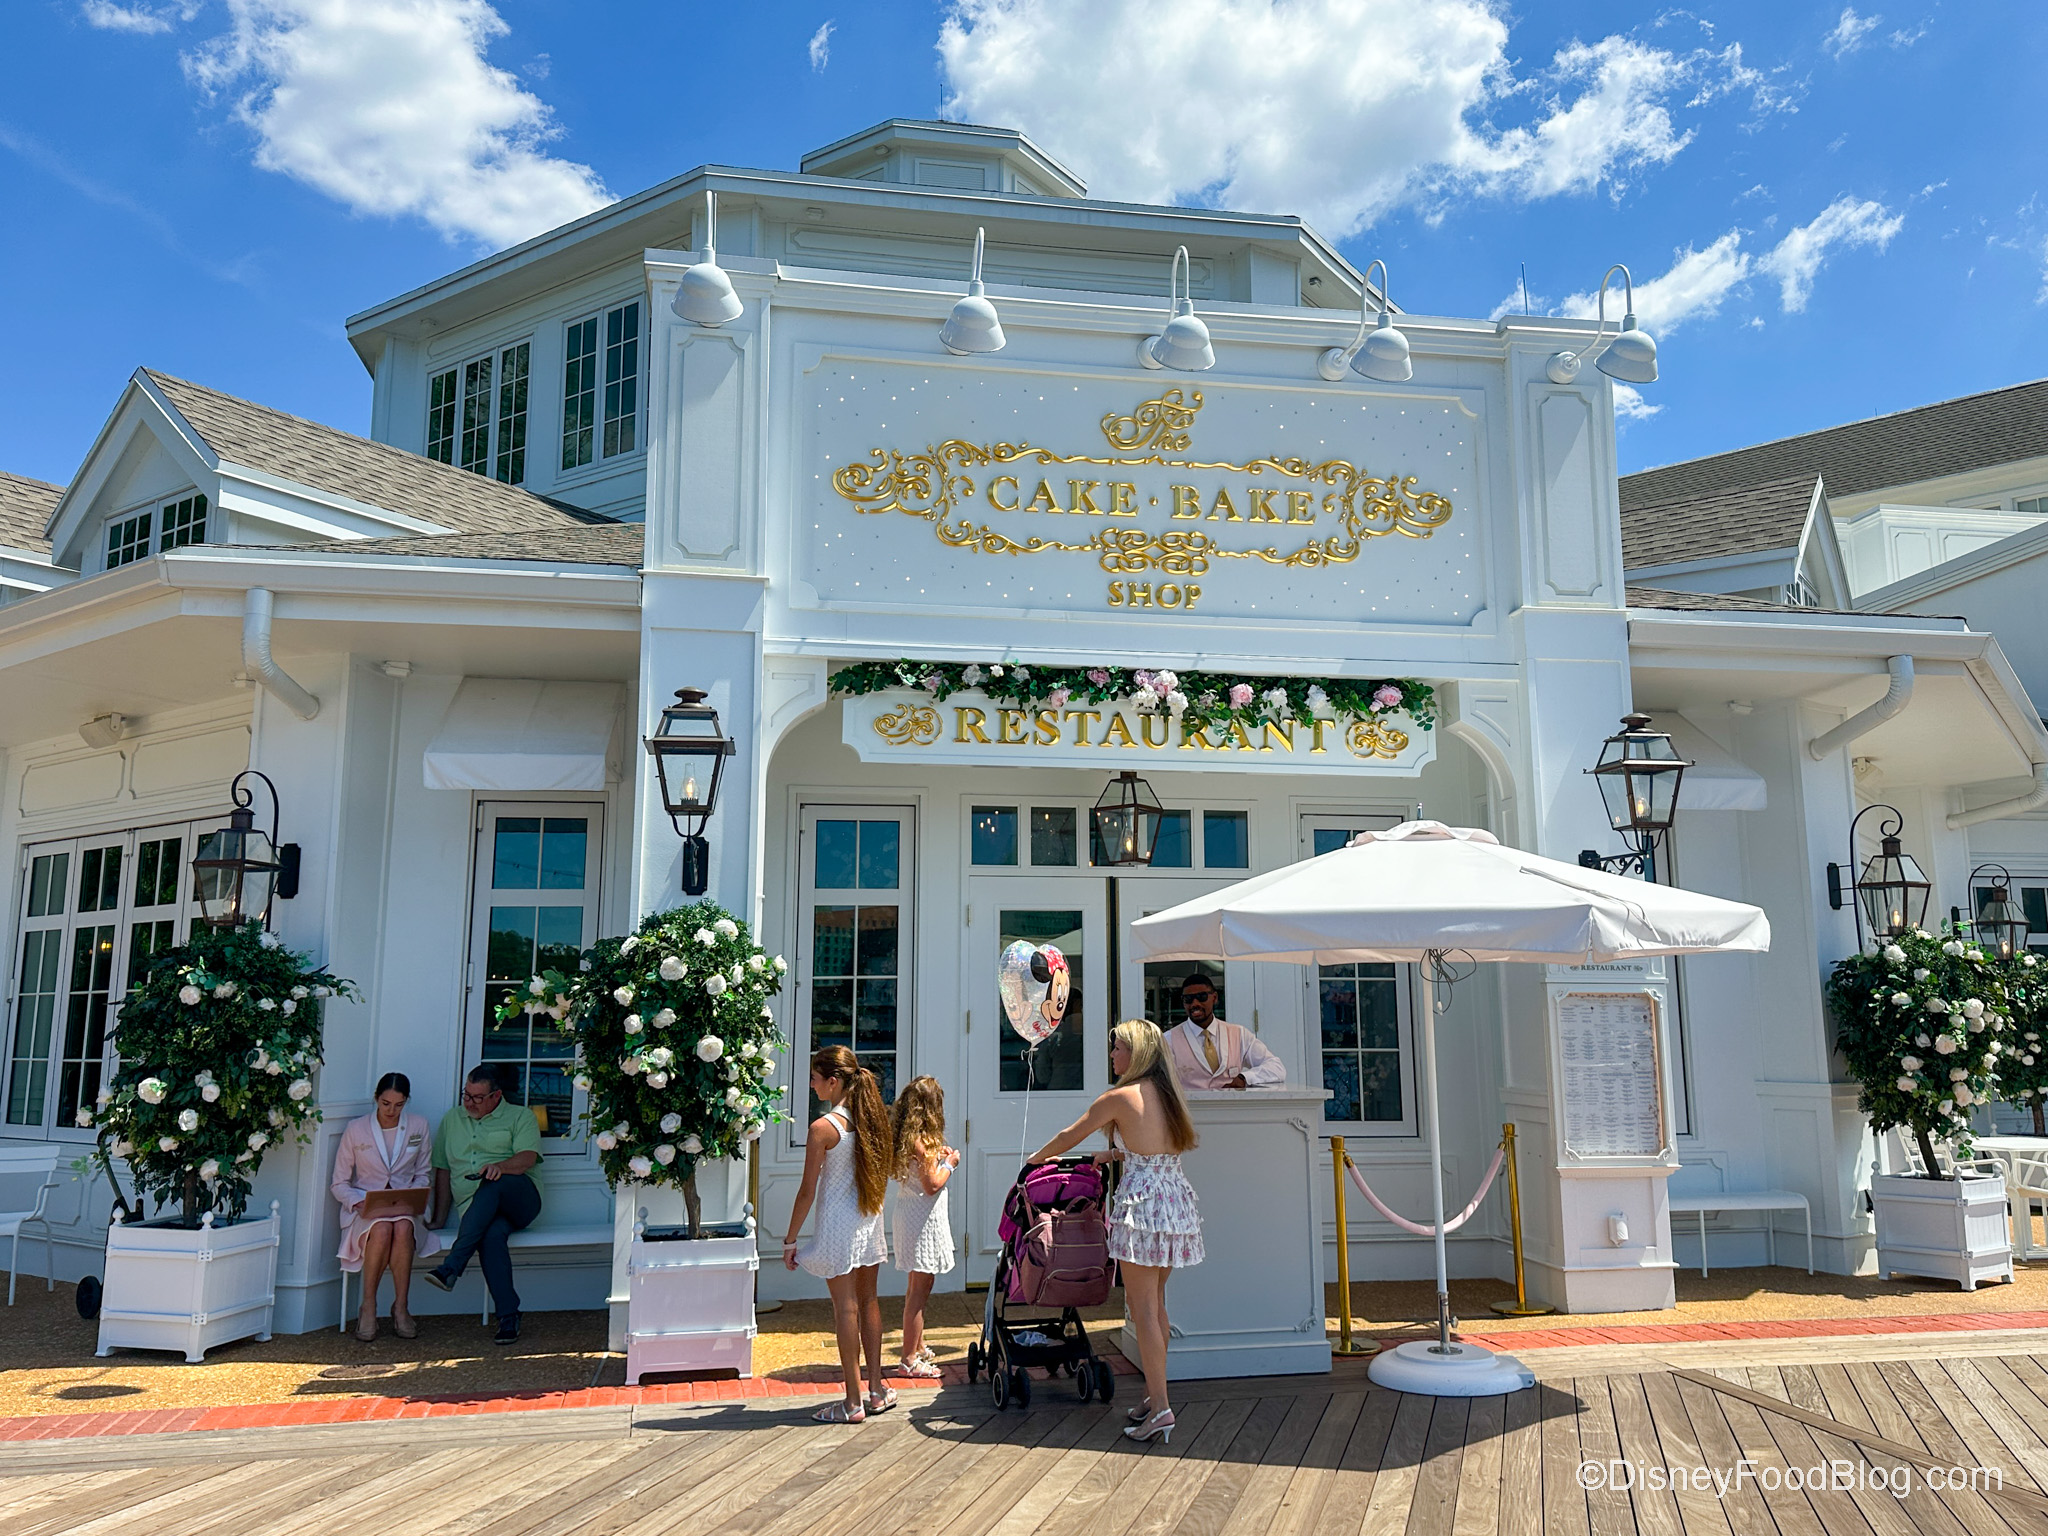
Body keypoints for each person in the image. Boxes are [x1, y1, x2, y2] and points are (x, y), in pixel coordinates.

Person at [1029, 1018, 1201, 1446]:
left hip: (1143, 1206)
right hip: (1174, 1201)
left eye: (1117, 1047)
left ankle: (1161, 1408)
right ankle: (1153, 1396)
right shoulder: (1169, 1094)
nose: (1111, 1055)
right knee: (1156, 1306)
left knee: (1142, 1310)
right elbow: (1151, 1146)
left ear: (1135, 1054)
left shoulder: (1120, 1097)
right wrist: (1111, 1155)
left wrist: (1035, 1159)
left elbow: (1069, 1134)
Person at [782, 1046, 893, 1423]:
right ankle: (875, 1391)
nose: (812, 1086)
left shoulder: (823, 1128)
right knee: (869, 1302)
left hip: (838, 1225)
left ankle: (852, 1402)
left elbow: (806, 1191)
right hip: (869, 1218)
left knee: (845, 1308)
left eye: (815, 1079)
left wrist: (790, 1239)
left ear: (833, 1081)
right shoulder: (872, 1119)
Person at [421, 1065, 544, 1345]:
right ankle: (509, 1316)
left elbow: (527, 1158)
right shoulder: (452, 1120)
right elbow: (443, 1170)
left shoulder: (520, 1116)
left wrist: (500, 1167)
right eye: (466, 1095)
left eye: (477, 1097)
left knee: (492, 1182)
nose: (469, 1103)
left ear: (496, 1095)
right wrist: (439, 1218)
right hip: (475, 1209)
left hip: (519, 1200)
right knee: (491, 1235)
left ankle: (452, 1266)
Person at [331, 1072, 442, 1341]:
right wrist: (358, 1202)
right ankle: (368, 1306)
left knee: (403, 1227)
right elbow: (339, 1183)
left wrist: (412, 1197)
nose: (391, 1110)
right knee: (381, 1229)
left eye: (399, 1104)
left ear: (406, 1101)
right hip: (366, 1208)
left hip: (405, 1208)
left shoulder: (418, 1125)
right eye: (386, 1103)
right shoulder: (356, 1129)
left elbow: (423, 1174)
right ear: (376, 1098)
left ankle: (401, 1306)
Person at [888, 1075, 959, 1379]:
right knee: (919, 1290)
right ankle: (908, 1360)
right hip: (921, 1219)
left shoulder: (909, 1139)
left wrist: (939, 1157)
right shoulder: (924, 1141)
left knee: (916, 1286)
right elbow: (932, 1185)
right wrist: (950, 1163)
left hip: (910, 1214)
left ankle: (916, 1346)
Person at [1165, 975, 1286, 1091]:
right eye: (1188, 999)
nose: (1195, 1004)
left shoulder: (1239, 1034)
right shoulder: (1168, 1040)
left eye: (1202, 997)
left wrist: (1244, 1078)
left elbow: (1276, 1068)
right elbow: (1159, 1082)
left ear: (1214, 998)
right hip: (1190, 1105)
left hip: (1231, 1105)